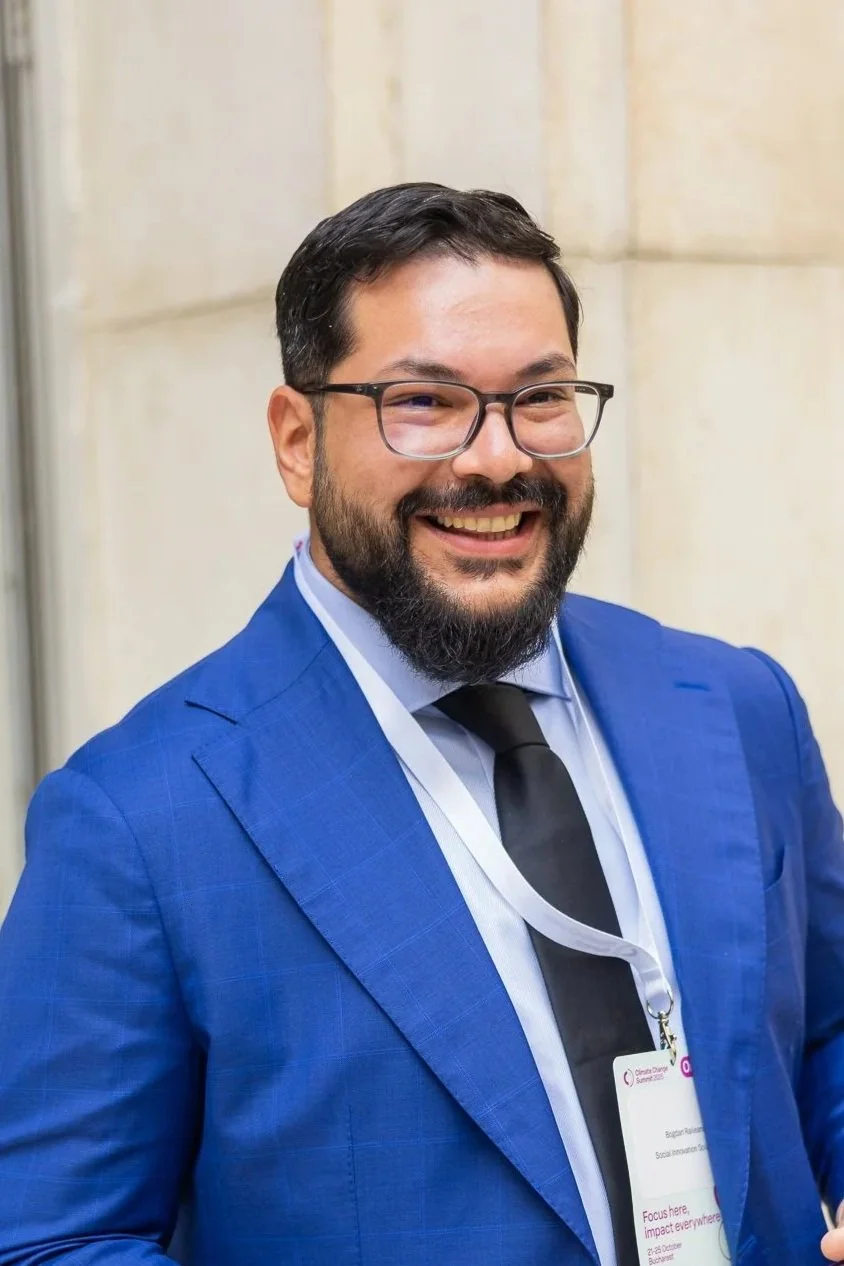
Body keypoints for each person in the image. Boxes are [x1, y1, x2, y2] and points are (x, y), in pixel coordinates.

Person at [1, 183, 843, 1266]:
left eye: (541, 397)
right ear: (297, 439)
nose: (497, 457)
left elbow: (825, 1030)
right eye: (426, 402)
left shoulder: (735, 707)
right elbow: (51, 1239)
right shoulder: (140, 820)